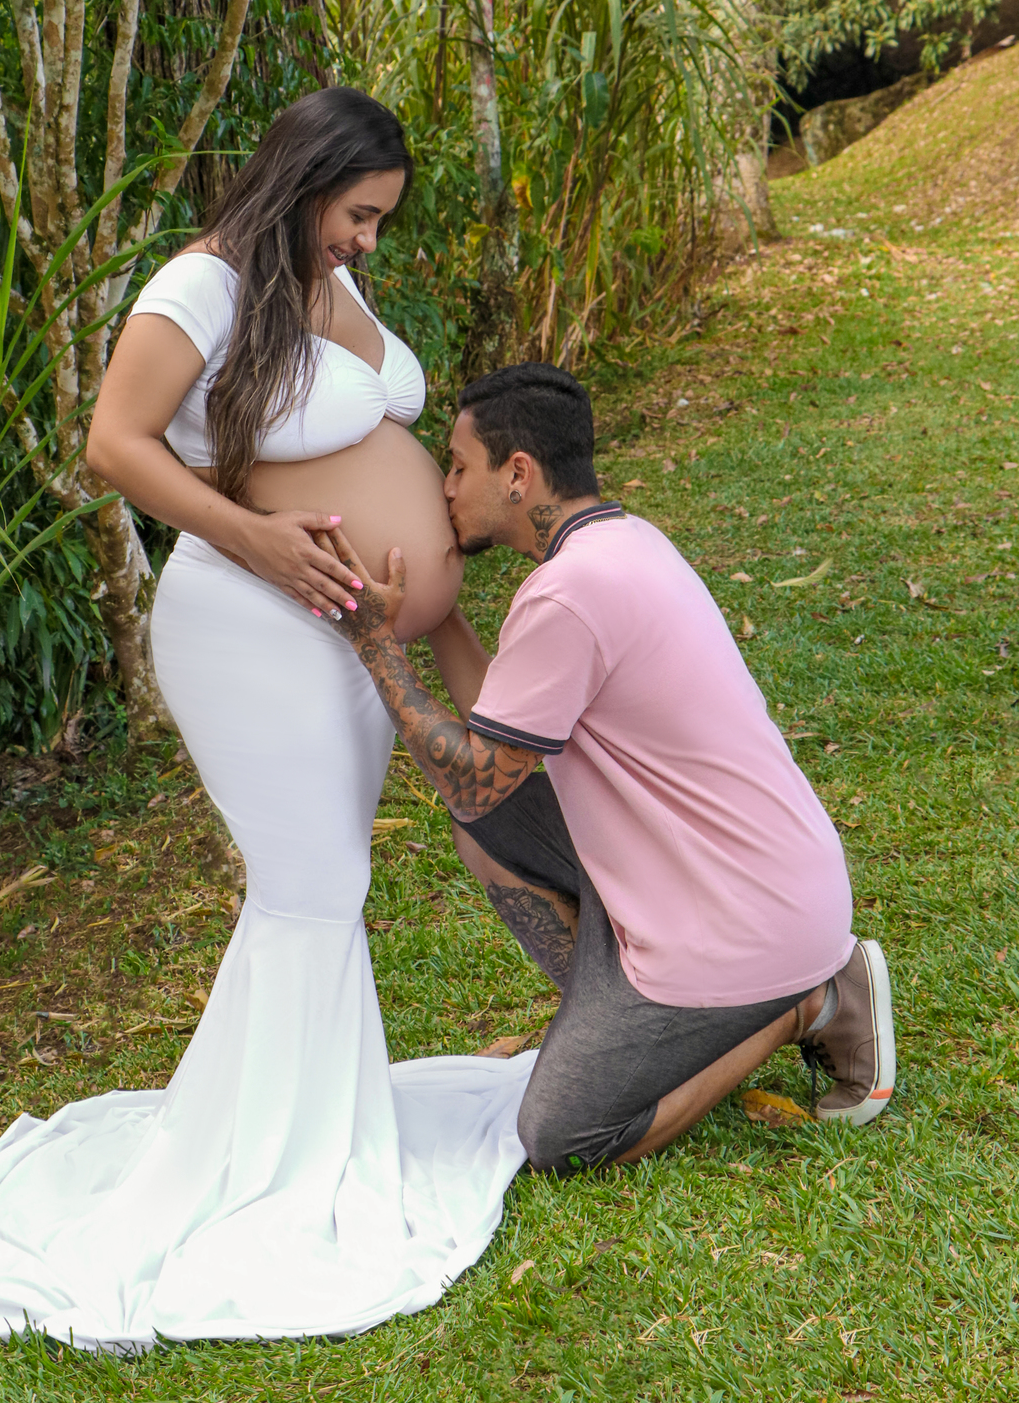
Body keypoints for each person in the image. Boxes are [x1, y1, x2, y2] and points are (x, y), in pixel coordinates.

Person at [0, 89, 536, 1350]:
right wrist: (258, 541)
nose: (369, 241)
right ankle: (273, 1169)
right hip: (248, 620)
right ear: (306, 179)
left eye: (381, 222)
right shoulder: (204, 286)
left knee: (323, 890)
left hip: (343, 634)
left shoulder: (318, 282)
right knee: (313, 887)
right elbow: (114, 444)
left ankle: (289, 1130)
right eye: (359, 214)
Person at [326, 361, 896, 1172]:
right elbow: (499, 738)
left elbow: (469, 774)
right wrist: (437, 605)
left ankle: (806, 1001)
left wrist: (378, 647)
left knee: (563, 1139)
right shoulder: (621, 543)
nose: (445, 488)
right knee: (488, 825)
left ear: (517, 474)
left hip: (744, 913)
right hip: (731, 873)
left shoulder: (570, 594)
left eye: (457, 466)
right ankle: (625, 1028)